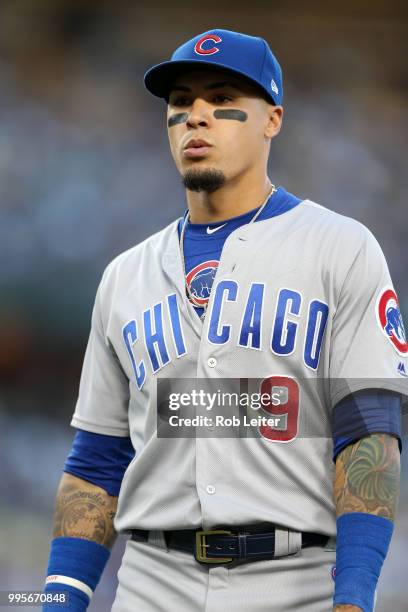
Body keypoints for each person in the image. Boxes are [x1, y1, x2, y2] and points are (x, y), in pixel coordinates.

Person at [43, 29, 407, 612]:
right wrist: (59, 598)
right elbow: (97, 461)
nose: (196, 117)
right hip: (150, 585)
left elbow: (368, 437)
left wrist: (355, 596)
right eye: (181, 103)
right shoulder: (123, 276)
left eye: (220, 99)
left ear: (273, 120)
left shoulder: (340, 248)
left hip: (297, 584)